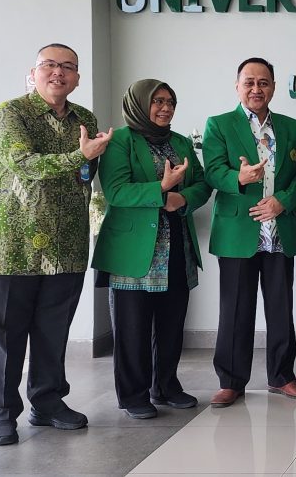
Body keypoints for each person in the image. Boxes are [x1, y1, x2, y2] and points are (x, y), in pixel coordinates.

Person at [0, 43, 110, 447]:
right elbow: (24, 164)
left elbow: (87, 173)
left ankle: (48, 402)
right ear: (33, 72)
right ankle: (2, 414)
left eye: (67, 67)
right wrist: (78, 156)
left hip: (65, 241)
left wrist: (85, 160)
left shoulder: (84, 118)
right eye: (49, 65)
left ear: (77, 78)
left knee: (53, 332)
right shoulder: (11, 113)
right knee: (6, 335)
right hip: (12, 242)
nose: (58, 73)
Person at [91, 79, 212, 419]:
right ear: (139, 103)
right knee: (133, 327)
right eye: (157, 101)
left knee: (172, 323)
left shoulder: (180, 142)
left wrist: (182, 198)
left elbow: (203, 184)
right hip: (133, 250)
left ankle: (167, 386)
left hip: (176, 246)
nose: (165, 107)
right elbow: (116, 191)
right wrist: (161, 189)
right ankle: (133, 395)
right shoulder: (120, 142)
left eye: (170, 101)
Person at [201, 58, 296, 406]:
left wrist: (282, 201)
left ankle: (282, 376)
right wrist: (238, 177)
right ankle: (231, 381)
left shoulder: (291, 126)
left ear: (274, 87)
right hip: (238, 230)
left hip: (279, 229)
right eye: (249, 82)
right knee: (235, 309)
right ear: (237, 86)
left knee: (281, 308)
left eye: (263, 82)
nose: (256, 89)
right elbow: (212, 171)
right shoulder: (219, 124)